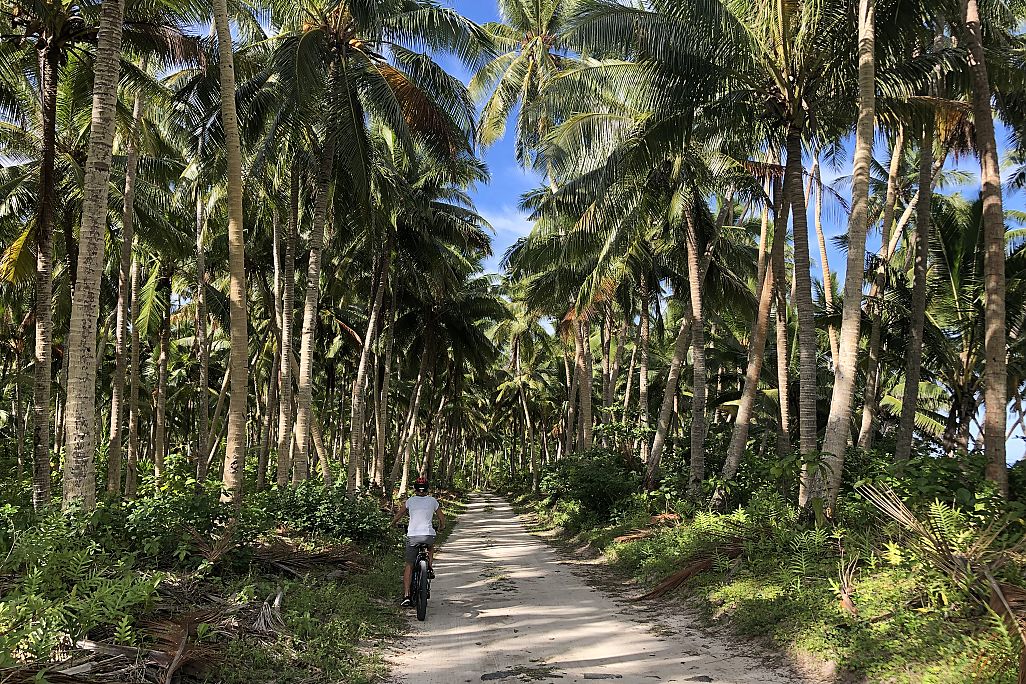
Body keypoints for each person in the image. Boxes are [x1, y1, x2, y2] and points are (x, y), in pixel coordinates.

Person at [391, 475, 446, 607]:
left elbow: (399, 514)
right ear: (427, 489)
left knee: (409, 565)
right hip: (428, 536)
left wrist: (392, 523)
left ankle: (406, 596)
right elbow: (442, 518)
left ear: (415, 489)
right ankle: (430, 568)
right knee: (431, 547)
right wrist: (441, 527)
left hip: (413, 536)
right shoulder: (433, 501)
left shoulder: (410, 501)